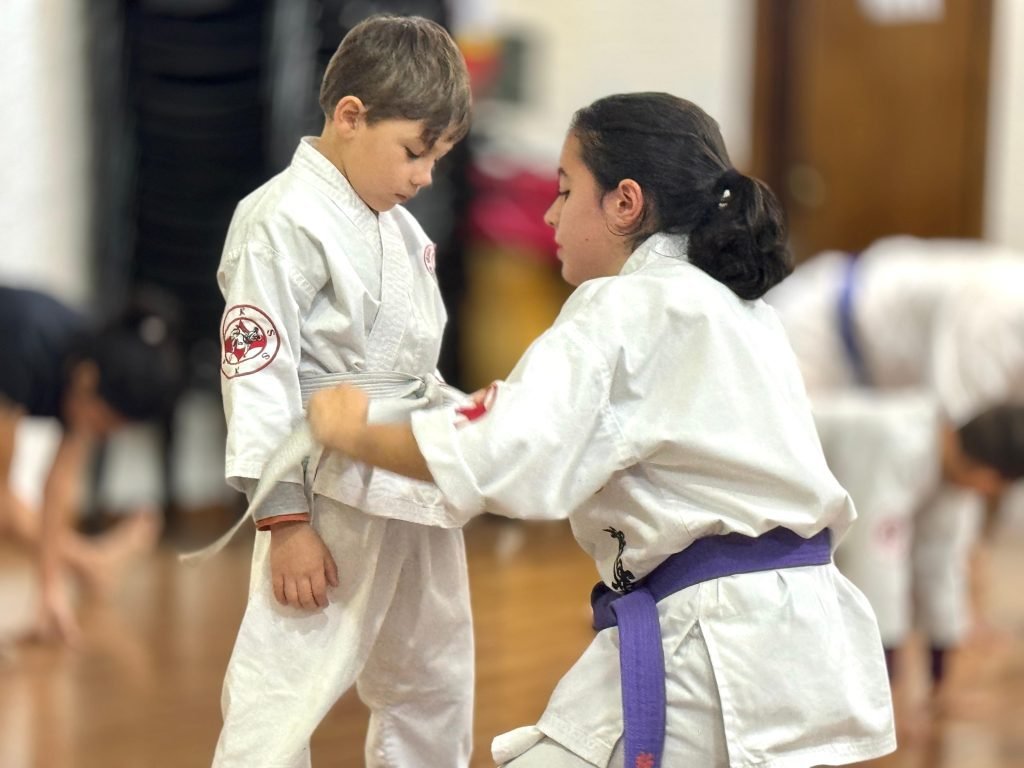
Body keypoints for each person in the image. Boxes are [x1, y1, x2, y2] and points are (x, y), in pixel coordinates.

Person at [307, 92, 896, 768]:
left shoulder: (623, 305)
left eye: (565, 191)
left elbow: (504, 449)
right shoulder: (742, 312)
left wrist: (353, 432)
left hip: (713, 645)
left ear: (625, 203)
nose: (551, 214)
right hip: (806, 640)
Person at [210, 14, 474, 768]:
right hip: (326, 479)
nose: (424, 176)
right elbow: (257, 374)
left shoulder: (393, 222)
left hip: (408, 459)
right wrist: (286, 521)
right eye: (415, 152)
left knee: (433, 669)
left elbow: (414, 356)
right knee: (287, 677)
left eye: (438, 159)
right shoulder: (280, 219)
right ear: (351, 116)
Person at [767, 237, 1024, 697]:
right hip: (817, 335)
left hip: (871, 385)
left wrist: (951, 629)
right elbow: (965, 455)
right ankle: (651, 596)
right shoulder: (1001, 312)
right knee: (759, 489)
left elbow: (961, 496)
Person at [812, 393, 1024, 699]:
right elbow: (874, 566)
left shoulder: (951, 472)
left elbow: (940, 567)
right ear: (990, 479)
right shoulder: (899, 443)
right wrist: (889, 694)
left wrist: (940, 681)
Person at [0, 285, 179, 644]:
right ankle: (92, 560)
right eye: (104, 424)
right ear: (87, 380)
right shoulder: (22, 346)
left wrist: (50, 591)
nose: (102, 435)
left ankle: (91, 562)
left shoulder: (93, 358)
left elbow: (59, 482)